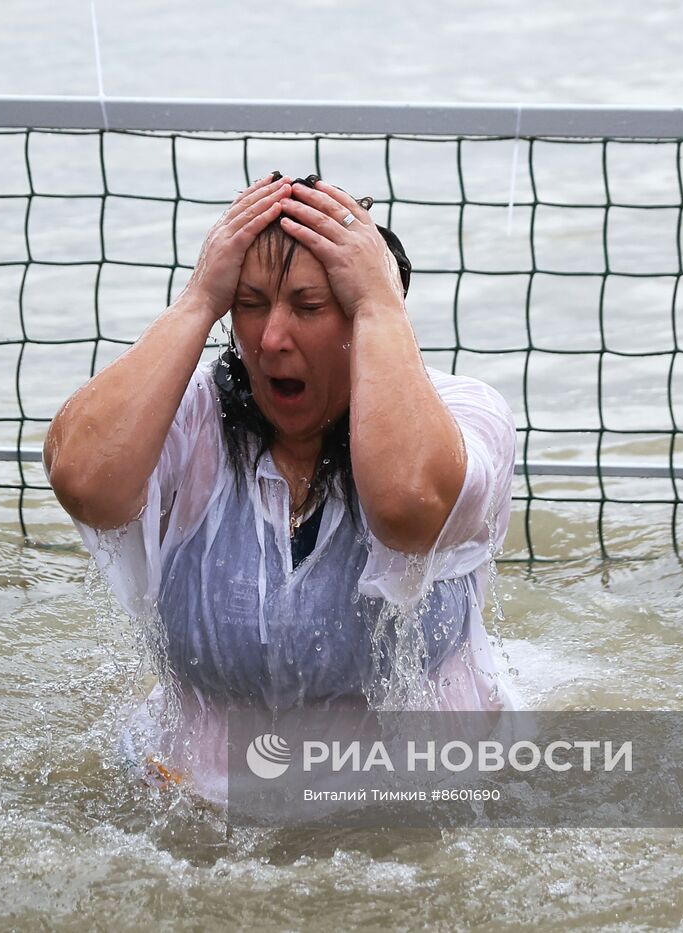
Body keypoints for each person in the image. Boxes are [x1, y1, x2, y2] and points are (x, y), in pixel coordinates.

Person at [43, 172, 518, 802]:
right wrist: (197, 300)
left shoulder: (467, 417)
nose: (270, 340)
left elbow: (407, 508)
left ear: (365, 318)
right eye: (250, 302)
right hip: (194, 789)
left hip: (419, 795)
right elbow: (84, 481)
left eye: (309, 306)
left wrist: (380, 300)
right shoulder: (192, 419)